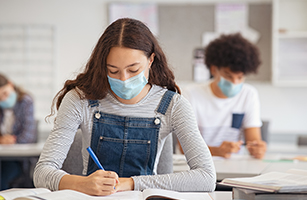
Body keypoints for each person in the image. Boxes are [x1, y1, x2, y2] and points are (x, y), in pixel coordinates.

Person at [34, 18, 216, 196]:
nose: (124, 79)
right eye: (113, 71)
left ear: (151, 60)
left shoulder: (173, 105)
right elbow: (42, 172)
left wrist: (130, 183)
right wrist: (82, 183)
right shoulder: (79, 99)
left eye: (133, 70)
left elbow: (206, 177)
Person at [183, 33, 267, 159]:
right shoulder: (190, 95)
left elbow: (253, 141)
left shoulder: (248, 94)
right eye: (228, 76)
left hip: (234, 168)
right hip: (198, 167)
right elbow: (184, 147)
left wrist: (257, 149)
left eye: (240, 77)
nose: (235, 83)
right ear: (213, 70)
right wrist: (217, 151)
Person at [0, 73, 36, 190]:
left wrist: (12, 139)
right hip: (2, 156)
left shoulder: (26, 102)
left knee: (3, 178)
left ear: (10, 84)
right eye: (0, 98)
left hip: (17, 159)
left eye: (5, 94)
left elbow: (28, 136)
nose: (3, 99)